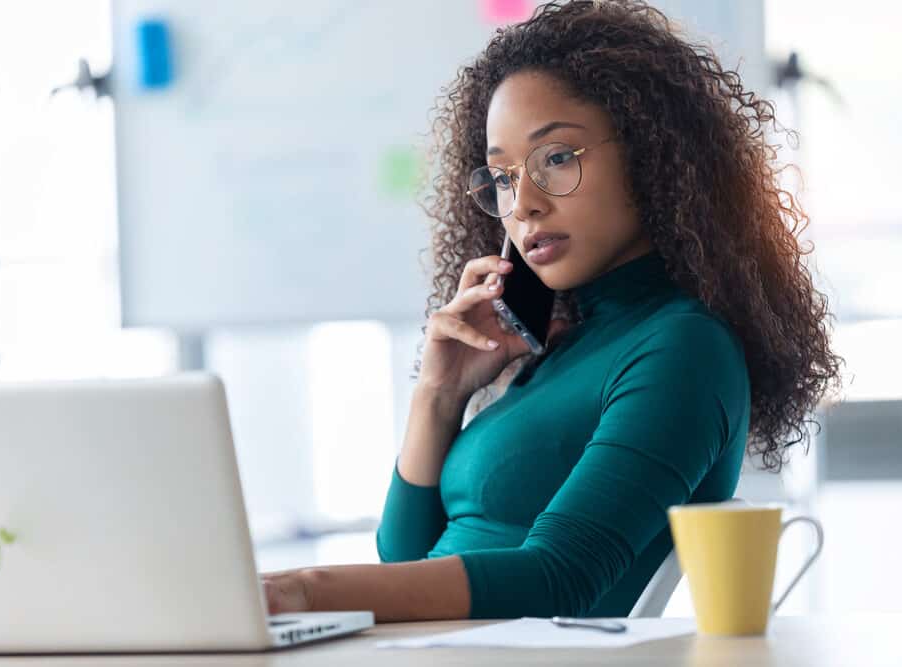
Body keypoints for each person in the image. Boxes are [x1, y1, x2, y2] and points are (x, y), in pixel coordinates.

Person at [261, 0, 843, 621]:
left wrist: (304, 590)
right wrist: (438, 395)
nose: (525, 204)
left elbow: (561, 578)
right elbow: (405, 562)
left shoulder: (683, 349)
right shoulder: (557, 346)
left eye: (557, 158)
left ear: (651, 153)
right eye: (503, 178)